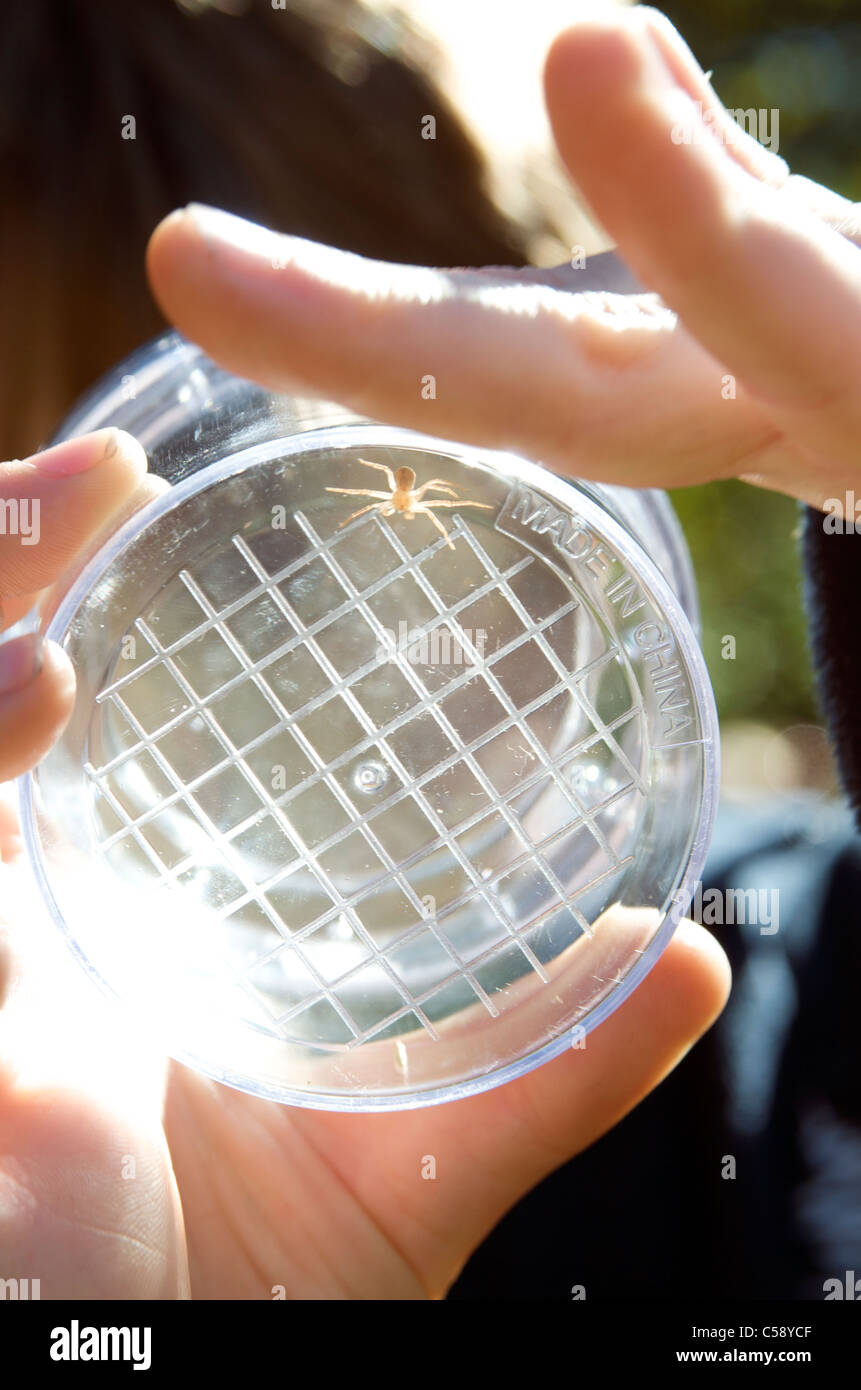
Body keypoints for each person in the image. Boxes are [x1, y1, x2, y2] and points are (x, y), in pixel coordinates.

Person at [0, 5, 858, 1298]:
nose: (311, 662)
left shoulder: (802, 1025)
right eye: (185, 579)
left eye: (394, 523)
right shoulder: (50, 1123)